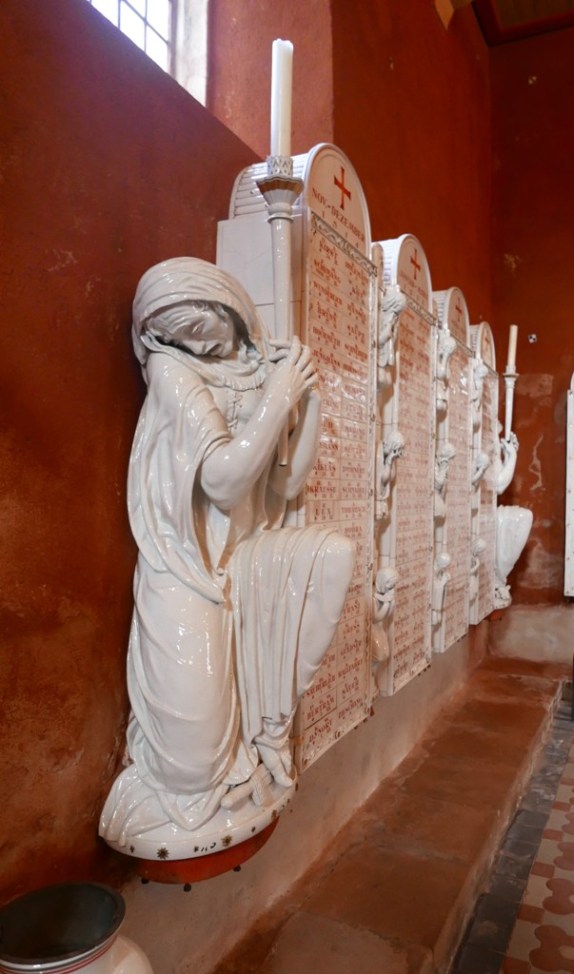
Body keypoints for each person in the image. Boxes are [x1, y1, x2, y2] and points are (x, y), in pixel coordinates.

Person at [100, 258, 354, 855]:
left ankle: (269, 729)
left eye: (199, 324)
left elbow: (288, 484)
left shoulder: (253, 368)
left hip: (244, 559)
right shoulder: (171, 371)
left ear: (229, 308)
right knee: (192, 771)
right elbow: (221, 481)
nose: (194, 340)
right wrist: (280, 395)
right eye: (176, 333)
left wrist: (308, 396)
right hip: (187, 569)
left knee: (333, 556)